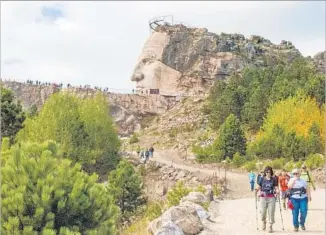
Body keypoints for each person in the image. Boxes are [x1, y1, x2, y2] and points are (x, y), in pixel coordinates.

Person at [255, 166, 279, 233]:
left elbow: (276, 187)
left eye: (269, 172)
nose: (268, 173)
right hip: (263, 197)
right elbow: (259, 186)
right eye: (267, 172)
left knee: (271, 212)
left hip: (271, 197)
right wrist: (256, 190)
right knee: (263, 212)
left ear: (271, 172)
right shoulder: (262, 179)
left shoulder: (274, 179)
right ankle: (264, 221)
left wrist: (277, 190)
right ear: (265, 172)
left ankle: (270, 226)